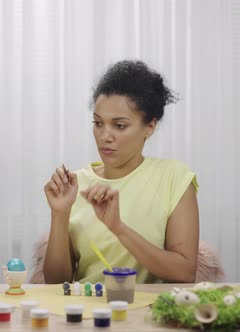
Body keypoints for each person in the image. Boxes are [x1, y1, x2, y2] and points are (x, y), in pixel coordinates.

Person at [43, 60, 199, 284]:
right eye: (98, 123)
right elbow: (56, 284)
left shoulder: (174, 177)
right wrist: (59, 214)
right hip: (89, 312)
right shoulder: (74, 186)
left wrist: (118, 228)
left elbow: (185, 272)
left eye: (120, 126)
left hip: (149, 313)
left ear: (150, 127)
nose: (105, 136)